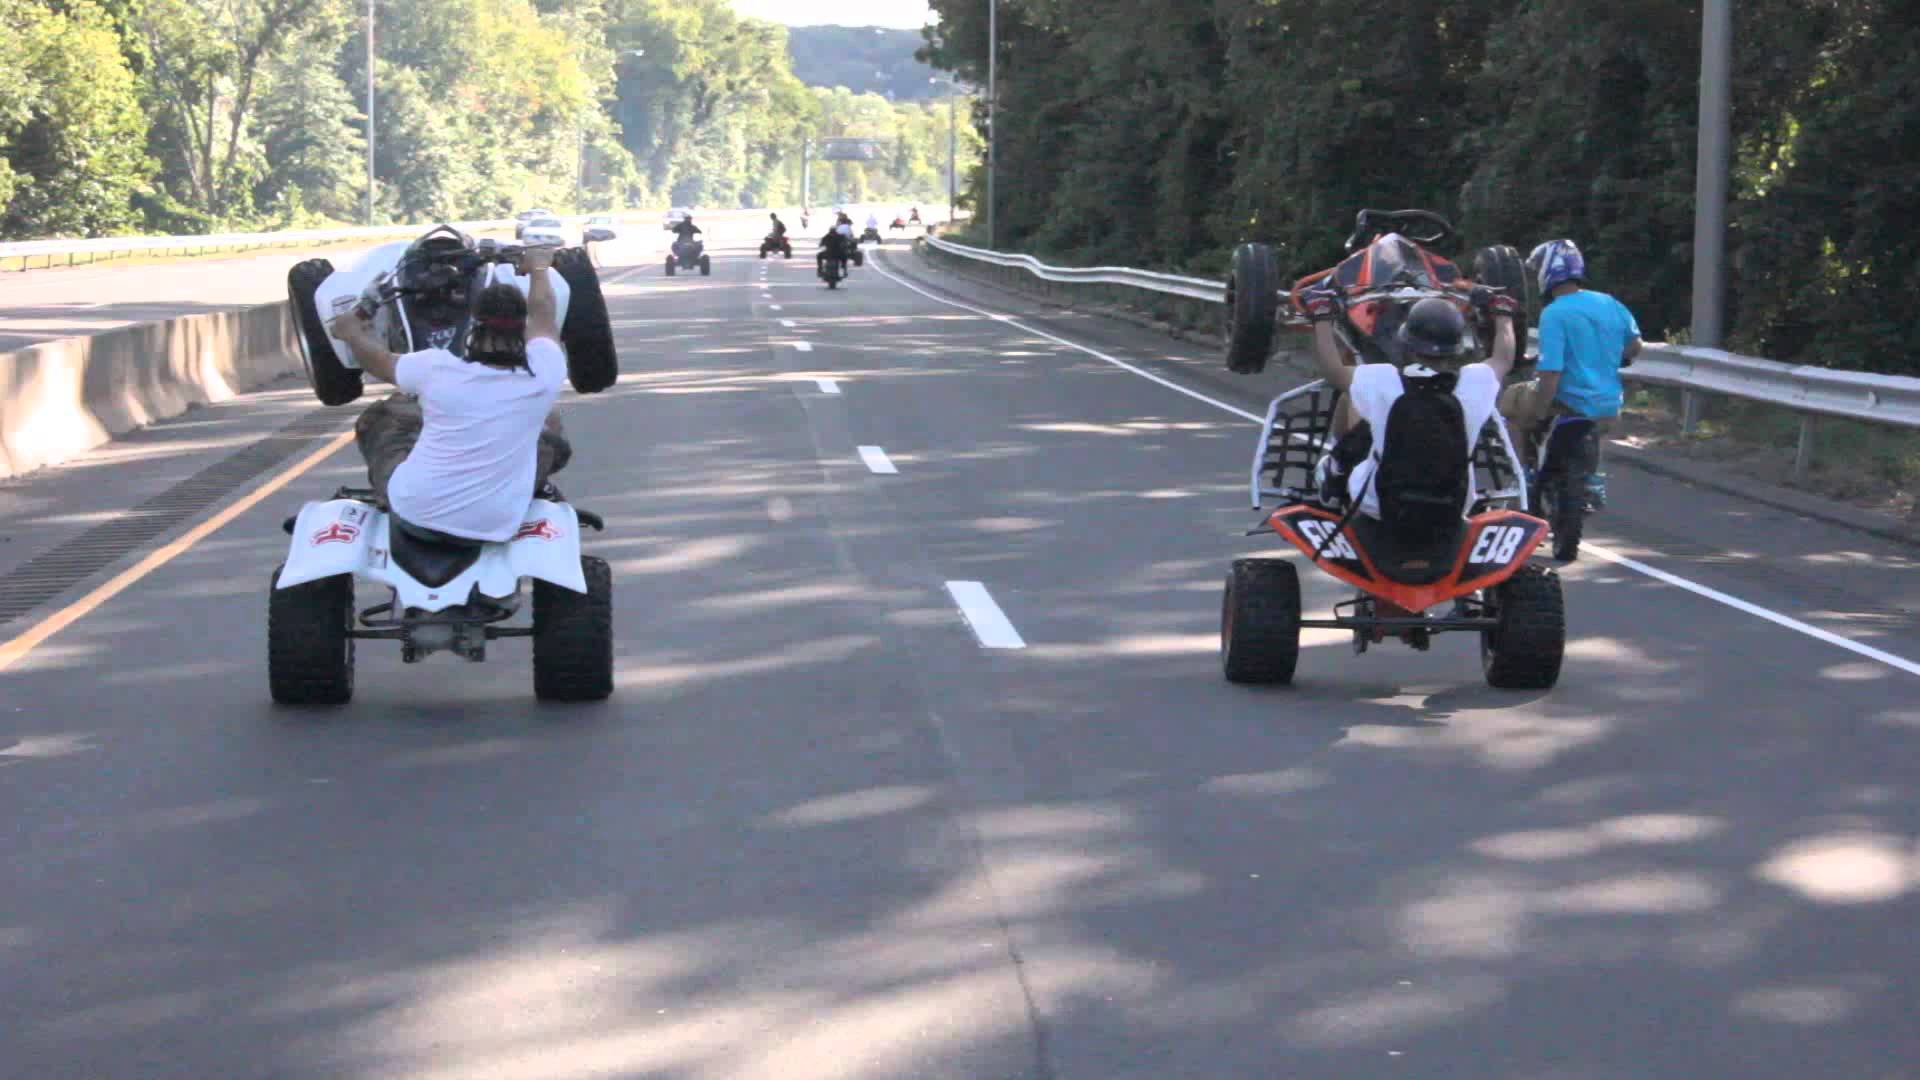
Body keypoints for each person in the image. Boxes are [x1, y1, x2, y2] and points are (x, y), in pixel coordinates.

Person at [329, 246, 571, 542]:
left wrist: (351, 332)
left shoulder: (436, 369)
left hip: (416, 514)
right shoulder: (545, 371)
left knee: (380, 416)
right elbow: (544, 313)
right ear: (522, 327)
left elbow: (379, 361)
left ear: (474, 325)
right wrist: (539, 268)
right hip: (497, 523)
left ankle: (384, 493)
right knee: (551, 427)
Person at [1304, 285, 1523, 524]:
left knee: (1351, 399)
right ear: (1457, 346)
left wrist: (1322, 318)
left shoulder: (1380, 380)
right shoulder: (1475, 382)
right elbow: (1504, 358)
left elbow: (1333, 371)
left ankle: (1336, 468)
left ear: (1407, 342)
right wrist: (1503, 314)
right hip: (1455, 505)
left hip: (1380, 504)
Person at [1499, 239, 1642, 508]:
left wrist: (1540, 409)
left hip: (1565, 401)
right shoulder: (1609, 303)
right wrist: (1617, 359)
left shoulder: (1554, 313)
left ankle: (1523, 478)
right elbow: (1635, 345)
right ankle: (1593, 478)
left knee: (1511, 404)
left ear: (1547, 272)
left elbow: (1551, 372)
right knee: (1598, 426)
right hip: (1610, 405)